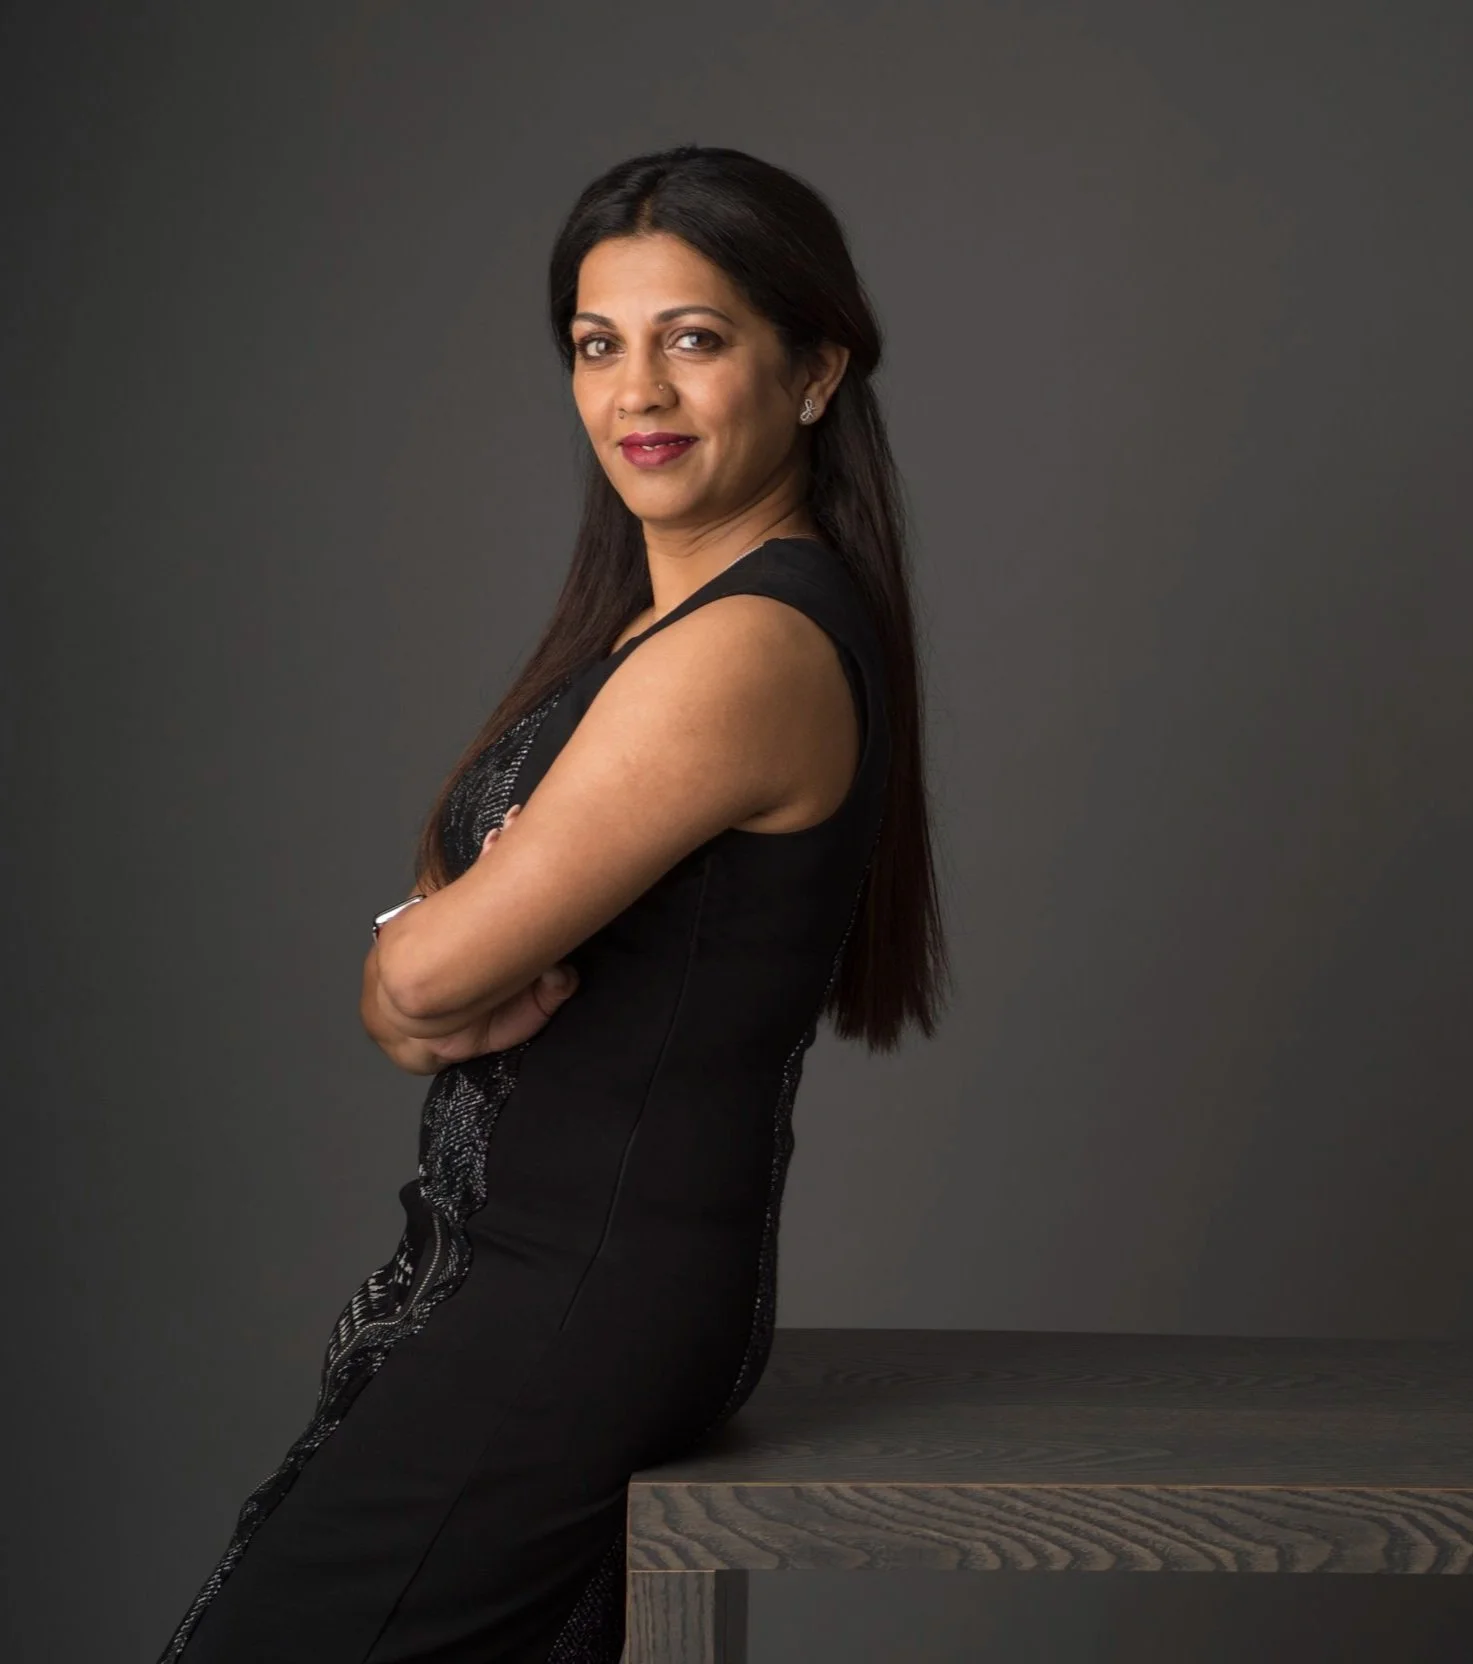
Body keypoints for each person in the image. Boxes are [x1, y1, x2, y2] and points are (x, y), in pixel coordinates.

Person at [158, 144, 949, 1663]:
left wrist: (415, 977)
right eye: (599, 345)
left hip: (580, 1304)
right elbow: (430, 973)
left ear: (814, 370)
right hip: (535, 1283)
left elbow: (432, 969)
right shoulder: (656, 629)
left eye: (694, 340)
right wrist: (421, 978)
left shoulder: (744, 651)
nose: (635, 391)